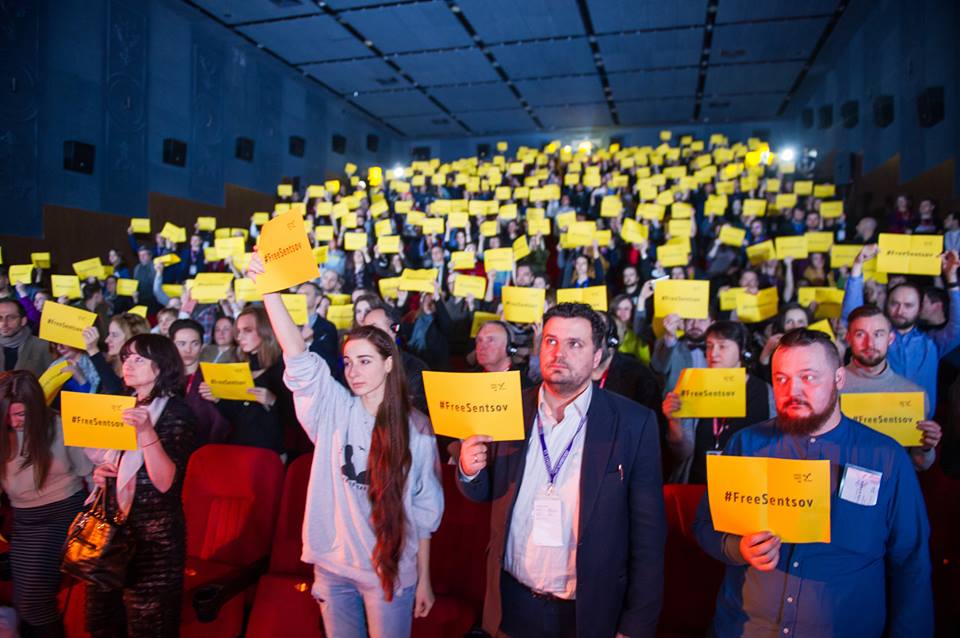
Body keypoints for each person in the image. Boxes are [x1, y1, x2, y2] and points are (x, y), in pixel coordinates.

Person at [247, 252, 443, 638]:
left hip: (387, 572)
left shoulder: (417, 430)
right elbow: (298, 359)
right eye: (348, 362)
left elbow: (424, 513)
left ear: (389, 364)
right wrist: (269, 291)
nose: (353, 372)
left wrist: (424, 579)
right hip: (333, 568)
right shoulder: (334, 409)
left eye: (365, 361)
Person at [694, 329, 933, 637]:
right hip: (746, 627)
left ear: (839, 379)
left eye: (808, 377)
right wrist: (738, 548)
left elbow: (911, 563)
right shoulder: (746, 445)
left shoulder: (885, 458)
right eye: (781, 379)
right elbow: (704, 525)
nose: (792, 390)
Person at [458, 303, 665, 638]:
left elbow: (648, 538)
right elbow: (484, 490)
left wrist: (636, 625)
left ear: (598, 357)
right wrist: (469, 469)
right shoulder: (509, 406)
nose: (559, 353)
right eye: (551, 341)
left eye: (575, 344)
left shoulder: (632, 423)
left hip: (586, 611)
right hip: (512, 599)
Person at [86, 334, 198, 637]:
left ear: (160, 367)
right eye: (126, 358)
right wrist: (102, 474)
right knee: (102, 623)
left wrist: (146, 430)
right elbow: (116, 465)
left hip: (154, 541)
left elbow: (165, 483)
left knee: (149, 627)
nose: (128, 365)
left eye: (139, 359)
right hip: (112, 533)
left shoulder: (177, 412)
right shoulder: (121, 406)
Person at [0, 371, 91, 637]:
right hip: (23, 520)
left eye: (22, 415)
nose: (15, 421)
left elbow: (87, 471)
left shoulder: (60, 425)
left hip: (62, 515)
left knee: (33, 602)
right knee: (25, 602)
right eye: (9, 414)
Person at [841, 245, 960, 405]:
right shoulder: (879, 338)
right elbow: (854, 317)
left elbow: (957, 326)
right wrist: (857, 266)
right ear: (886, 305)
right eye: (894, 304)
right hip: (875, 417)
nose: (900, 310)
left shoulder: (932, 343)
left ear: (919, 308)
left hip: (920, 425)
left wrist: (951, 277)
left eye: (908, 305)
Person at [662, 321, 774, 483]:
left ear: (742, 350)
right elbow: (682, 453)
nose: (713, 353)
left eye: (722, 346)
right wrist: (674, 422)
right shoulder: (692, 385)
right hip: (699, 484)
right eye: (709, 346)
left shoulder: (764, 391)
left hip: (747, 487)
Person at [842, 305, 942, 471]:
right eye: (860, 334)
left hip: (890, 486)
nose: (870, 343)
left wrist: (926, 447)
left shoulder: (912, 393)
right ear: (848, 338)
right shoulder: (829, 388)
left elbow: (921, 464)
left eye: (878, 334)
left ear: (890, 339)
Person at [198, 307, 292, 454]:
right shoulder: (238, 366)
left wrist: (272, 402)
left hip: (270, 452)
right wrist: (217, 399)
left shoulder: (284, 368)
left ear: (265, 330)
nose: (240, 337)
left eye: (247, 330)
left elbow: (295, 420)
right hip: (239, 447)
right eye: (238, 331)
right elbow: (236, 417)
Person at [169, 319, 230, 445]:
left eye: (195, 343)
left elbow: (221, 424)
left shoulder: (213, 377)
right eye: (181, 344)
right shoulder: (164, 377)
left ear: (202, 346)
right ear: (172, 346)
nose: (188, 350)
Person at [82, 313, 151, 396]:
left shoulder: (142, 372)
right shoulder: (111, 365)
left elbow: (116, 393)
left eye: (114, 335)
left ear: (131, 339)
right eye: (109, 334)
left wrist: (93, 350)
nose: (107, 340)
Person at [651, 310, 713, 394]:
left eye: (702, 320)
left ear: (712, 324)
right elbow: (658, 368)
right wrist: (670, 336)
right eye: (690, 320)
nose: (695, 325)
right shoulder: (668, 343)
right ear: (683, 323)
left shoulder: (721, 348)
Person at [0, 298, 53, 376]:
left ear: (23, 321)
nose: (4, 323)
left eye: (11, 317)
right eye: (0, 318)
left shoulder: (43, 346)